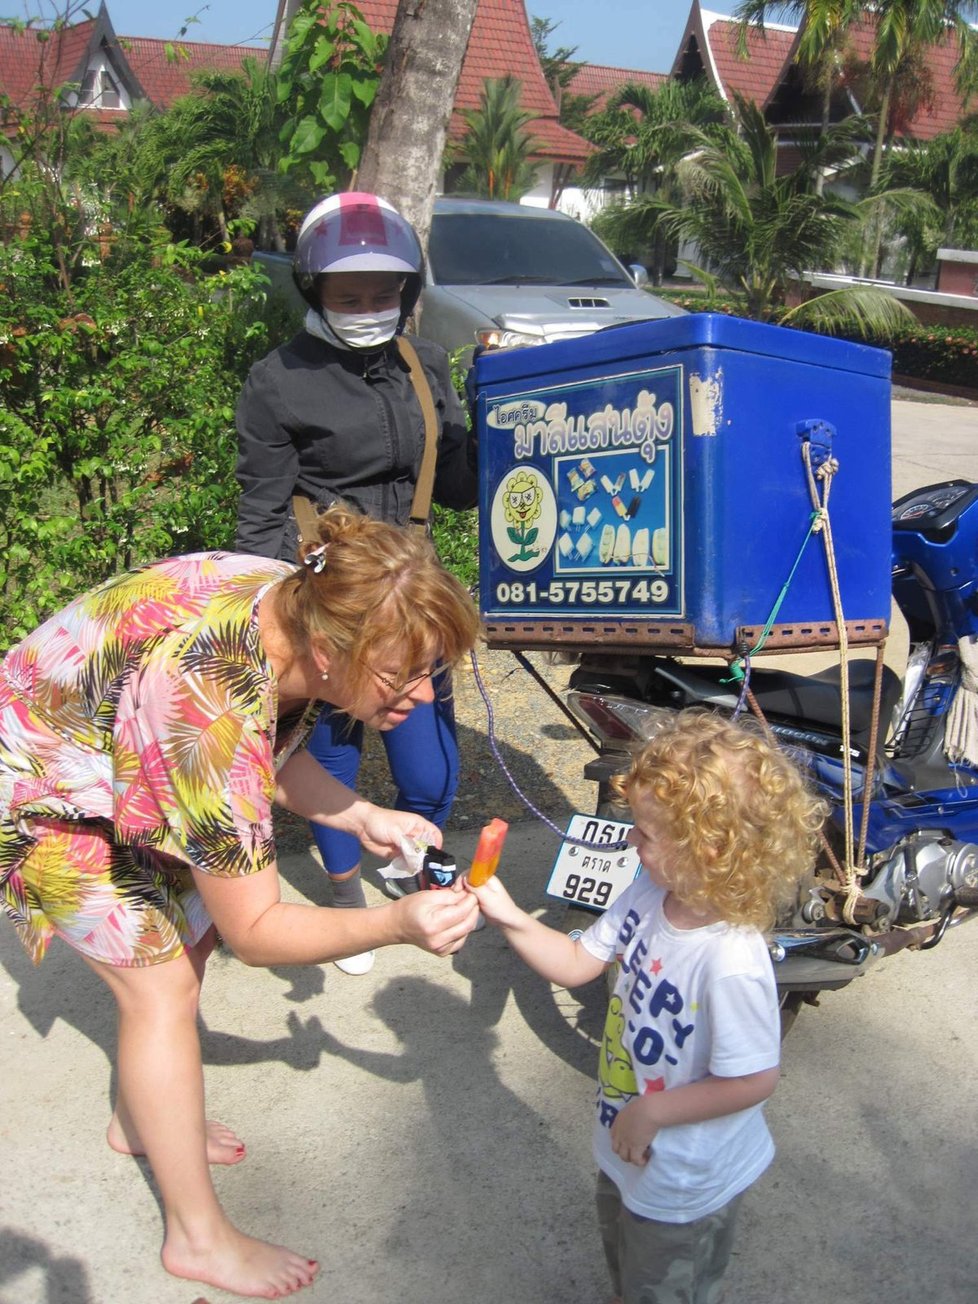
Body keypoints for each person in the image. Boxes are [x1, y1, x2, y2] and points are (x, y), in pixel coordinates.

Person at [0, 506, 482, 1300]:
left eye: (436, 671)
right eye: (403, 676)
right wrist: (395, 923)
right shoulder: (209, 699)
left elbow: (266, 753)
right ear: (328, 653)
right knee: (161, 988)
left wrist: (364, 816)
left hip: (129, 744)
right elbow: (256, 928)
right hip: (40, 789)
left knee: (187, 940)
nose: (424, 697)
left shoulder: (301, 596)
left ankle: (140, 1120)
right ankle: (197, 1239)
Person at [465, 711, 826, 1304]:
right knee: (626, 1248)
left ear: (707, 849)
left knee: (667, 1276)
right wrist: (505, 912)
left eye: (646, 834)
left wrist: (654, 1113)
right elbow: (579, 962)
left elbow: (755, 1078)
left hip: (686, 1170)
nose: (632, 841)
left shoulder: (730, 959)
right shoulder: (648, 894)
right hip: (628, 1137)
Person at [235, 191, 478, 974]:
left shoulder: (423, 363)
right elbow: (262, 511)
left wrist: (496, 411)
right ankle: (347, 893)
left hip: (409, 594)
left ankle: (410, 855)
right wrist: (288, 628)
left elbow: (461, 486)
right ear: (314, 291)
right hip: (330, 597)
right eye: (349, 295)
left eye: (384, 293)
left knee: (429, 765)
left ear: (408, 293)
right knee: (330, 755)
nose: (369, 308)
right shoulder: (278, 380)